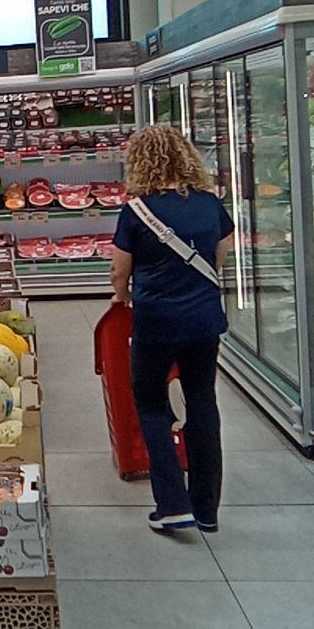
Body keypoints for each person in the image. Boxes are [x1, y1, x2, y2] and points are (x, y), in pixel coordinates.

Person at [110, 125, 234, 536]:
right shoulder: (209, 204)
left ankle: (172, 505)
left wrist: (121, 296)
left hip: (156, 321)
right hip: (204, 320)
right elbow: (220, 254)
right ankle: (206, 508)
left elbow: (119, 270)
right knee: (202, 400)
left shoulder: (136, 211)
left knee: (150, 404)